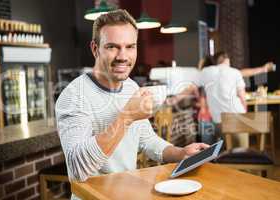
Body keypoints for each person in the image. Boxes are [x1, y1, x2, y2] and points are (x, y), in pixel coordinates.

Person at [55, 10, 209, 200]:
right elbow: (78, 170)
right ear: (95, 49)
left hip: (129, 193)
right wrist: (126, 117)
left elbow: (146, 139)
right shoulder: (74, 96)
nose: (123, 56)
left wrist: (180, 153)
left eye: (130, 46)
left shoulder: (130, 86)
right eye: (112, 47)